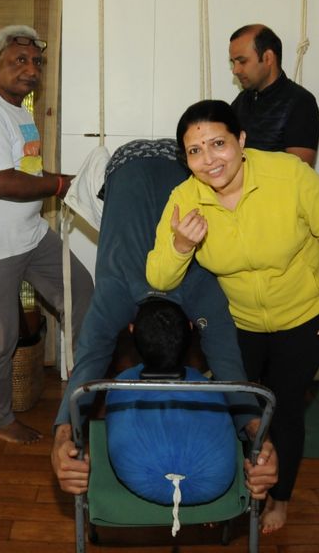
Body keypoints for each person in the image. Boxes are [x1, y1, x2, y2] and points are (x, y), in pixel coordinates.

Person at [51, 138, 277, 501]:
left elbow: (86, 370)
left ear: (128, 326)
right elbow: (231, 373)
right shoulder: (199, 291)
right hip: (133, 163)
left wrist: (262, 443)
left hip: (152, 161)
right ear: (191, 325)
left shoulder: (186, 285)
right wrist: (257, 435)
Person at [146, 99, 319, 534]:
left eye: (218, 143)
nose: (209, 160)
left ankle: (278, 499)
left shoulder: (290, 176)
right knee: (238, 409)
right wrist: (181, 246)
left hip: (303, 316)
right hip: (239, 323)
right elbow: (159, 275)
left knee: (283, 412)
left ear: (242, 140)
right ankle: (234, 489)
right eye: (195, 151)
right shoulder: (185, 198)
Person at [0, 25, 94, 444]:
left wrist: (64, 183)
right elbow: (2, 183)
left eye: (36, 63)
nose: (30, 70)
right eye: (19, 61)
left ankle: (82, 389)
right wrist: (63, 184)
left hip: (30, 233)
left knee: (82, 293)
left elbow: (27, 171)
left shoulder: (20, 110)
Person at [229, 24, 319, 167]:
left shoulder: (301, 102)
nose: (235, 70)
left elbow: (299, 176)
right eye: (233, 62)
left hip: (277, 189)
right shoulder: (242, 100)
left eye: (242, 61)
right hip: (240, 188)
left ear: (268, 58)